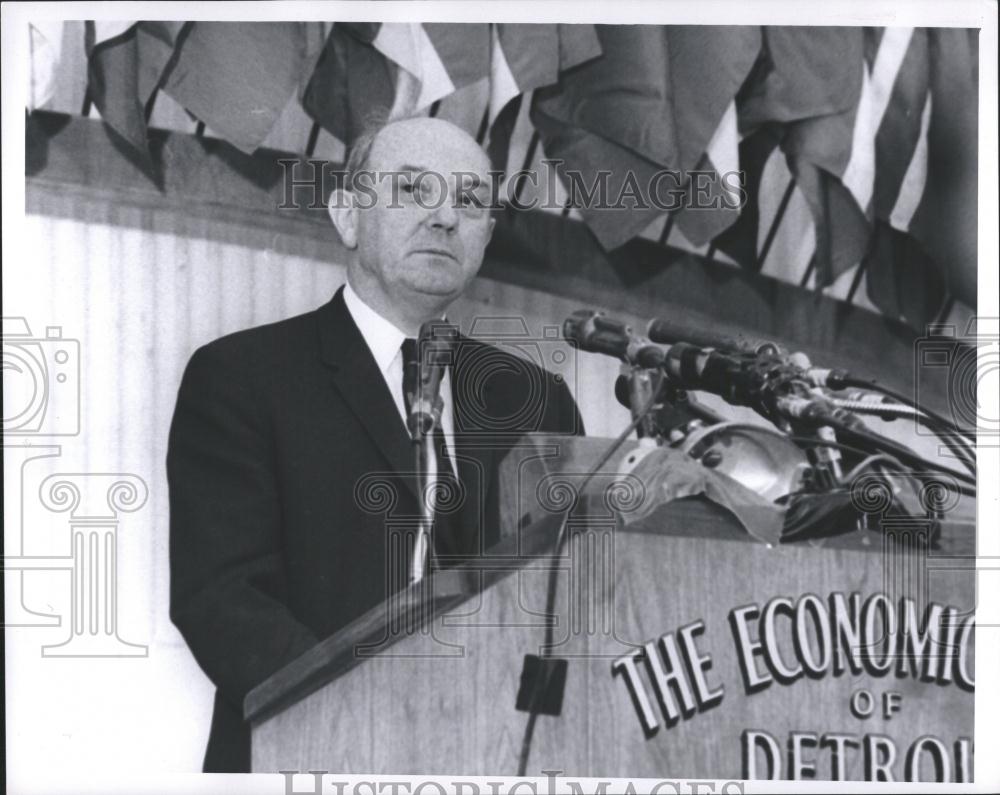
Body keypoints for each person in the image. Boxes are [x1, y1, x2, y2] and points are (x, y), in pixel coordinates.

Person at [167, 116, 583, 772]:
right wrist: (376, 712)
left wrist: (516, 736)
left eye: (470, 200)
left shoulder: (535, 397)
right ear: (347, 215)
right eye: (414, 190)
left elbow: (565, 605)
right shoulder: (243, 376)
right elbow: (222, 599)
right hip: (303, 756)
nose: (445, 217)